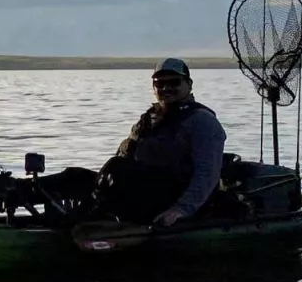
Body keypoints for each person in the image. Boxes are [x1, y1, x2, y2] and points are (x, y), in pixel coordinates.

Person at [96, 58, 226, 227]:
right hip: (143, 192)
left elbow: (207, 173)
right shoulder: (147, 120)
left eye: (174, 82)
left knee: (117, 167)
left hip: (176, 197)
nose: (166, 88)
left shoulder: (202, 121)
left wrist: (180, 210)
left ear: (189, 84)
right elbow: (124, 156)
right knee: (75, 177)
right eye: (160, 84)